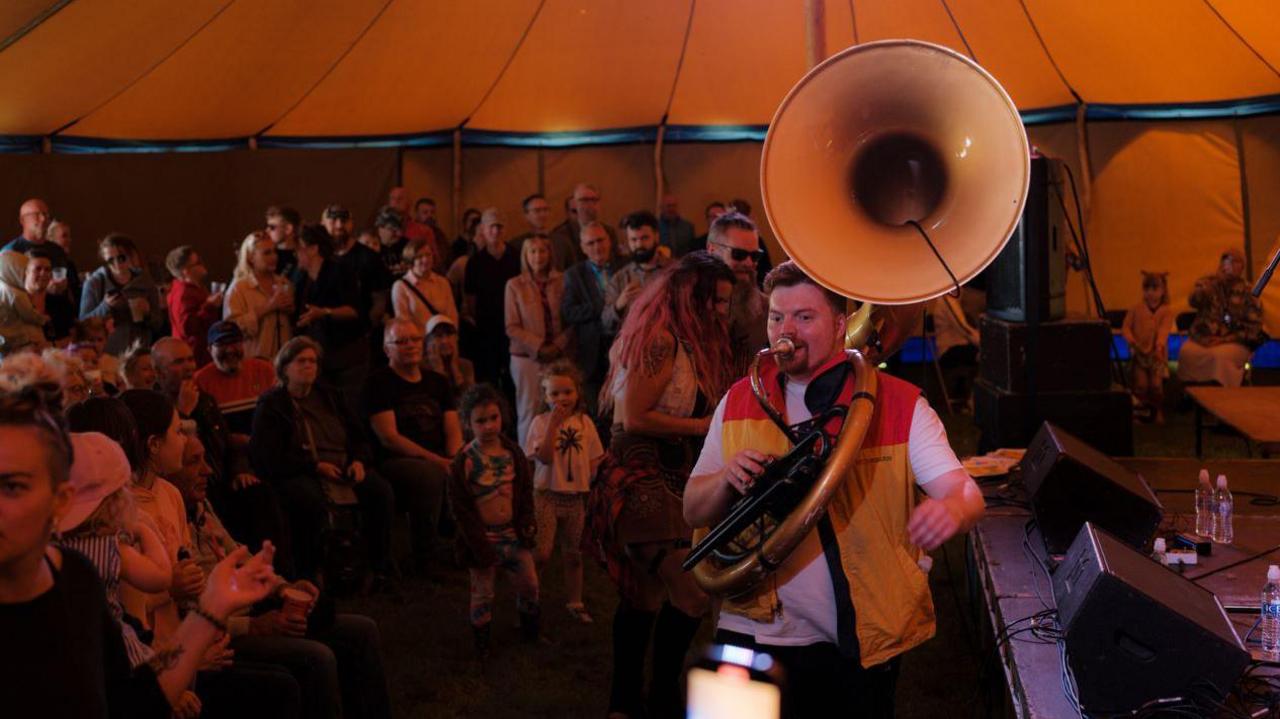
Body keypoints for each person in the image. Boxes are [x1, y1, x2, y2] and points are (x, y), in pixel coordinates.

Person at [682, 261, 985, 719]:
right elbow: (691, 509)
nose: (786, 330)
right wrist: (726, 479)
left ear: (841, 325)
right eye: (776, 317)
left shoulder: (900, 403)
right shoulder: (739, 399)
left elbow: (966, 494)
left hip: (852, 641)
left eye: (804, 317)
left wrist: (952, 511)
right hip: (748, 627)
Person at [0, 391, 286, 719]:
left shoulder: (76, 576)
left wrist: (213, 606)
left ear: (59, 499)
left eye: (13, 487)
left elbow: (133, 697)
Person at [585, 252, 735, 719]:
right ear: (692, 297)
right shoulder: (660, 338)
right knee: (688, 594)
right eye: (717, 301)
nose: (723, 311)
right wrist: (705, 427)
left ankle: (626, 704)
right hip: (640, 471)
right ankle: (660, 697)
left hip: (669, 470)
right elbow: (633, 416)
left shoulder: (686, 339)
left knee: (645, 596)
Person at [170, 432, 392, 719]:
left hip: (252, 611)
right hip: (224, 634)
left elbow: (242, 556)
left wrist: (285, 589)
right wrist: (255, 625)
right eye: (193, 462)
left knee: (362, 630)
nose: (207, 470)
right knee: (318, 659)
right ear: (170, 470)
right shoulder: (167, 525)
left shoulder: (199, 507)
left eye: (205, 459)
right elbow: (187, 614)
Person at [250, 337, 396, 585]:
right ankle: (312, 569)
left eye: (313, 361)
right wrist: (314, 466)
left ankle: (377, 564)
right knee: (310, 500)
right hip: (301, 468)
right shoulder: (273, 404)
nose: (308, 366)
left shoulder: (331, 396)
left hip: (342, 465)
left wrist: (359, 461)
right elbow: (269, 454)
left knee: (380, 491)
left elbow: (359, 436)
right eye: (301, 361)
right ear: (285, 367)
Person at [55, 430, 171, 669]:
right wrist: (143, 532)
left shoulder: (50, 546)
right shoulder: (112, 549)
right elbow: (160, 577)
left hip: (69, 654)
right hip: (115, 655)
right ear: (118, 500)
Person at [362, 318, 462, 576]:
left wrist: (455, 457)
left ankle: (469, 544)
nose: (410, 345)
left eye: (415, 339)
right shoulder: (378, 383)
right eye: (401, 341)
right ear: (387, 350)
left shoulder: (437, 382)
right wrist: (440, 462)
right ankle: (426, 555)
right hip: (396, 460)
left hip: (440, 457)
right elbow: (389, 438)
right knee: (429, 474)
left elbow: (453, 427)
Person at [449, 383, 540, 658]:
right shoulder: (464, 461)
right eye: (480, 421)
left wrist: (526, 522)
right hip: (483, 539)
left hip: (513, 535)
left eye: (493, 418)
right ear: (467, 423)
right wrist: (476, 542)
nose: (488, 426)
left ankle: (530, 633)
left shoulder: (513, 454)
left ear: (502, 416)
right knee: (483, 592)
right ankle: (482, 644)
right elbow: (461, 508)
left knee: (529, 584)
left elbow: (524, 493)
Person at [524, 360, 603, 625]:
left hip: (574, 499)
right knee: (542, 553)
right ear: (544, 396)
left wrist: (591, 478)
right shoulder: (539, 423)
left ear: (577, 392)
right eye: (554, 393)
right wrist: (552, 427)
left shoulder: (585, 423)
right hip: (546, 495)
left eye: (567, 392)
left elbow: (595, 457)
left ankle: (575, 601)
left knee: (574, 553)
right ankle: (530, 597)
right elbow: (544, 457)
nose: (561, 398)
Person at [290, 223, 366, 411]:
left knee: (348, 406)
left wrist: (324, 312)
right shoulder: (301, 277)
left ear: (314, 248)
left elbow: (354, 310)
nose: (296, 254)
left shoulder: (339, 271)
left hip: (345, 352)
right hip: (318, 354)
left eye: (299, 248)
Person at [505, 234, 570, 443]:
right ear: (525, 255)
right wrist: (539, 346)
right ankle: (527, 460)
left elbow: (571, 319)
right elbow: (511, 326)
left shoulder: (562, 280)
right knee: (529, 410)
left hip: (559, 355)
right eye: (532, 251)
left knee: (560, 408)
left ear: (550, 253)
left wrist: (557, 345)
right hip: (526, 358)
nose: (537, 256)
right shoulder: (515, 285)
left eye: (542, 250)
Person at [562, 221, 625, 416]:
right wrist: (607, 307)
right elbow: (569, 312)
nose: (597, 247)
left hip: (623, 349)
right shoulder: (574, 274)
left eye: (600, 240)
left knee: (621, 410)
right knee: (596, 412)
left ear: (609, 241)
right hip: (591, 355)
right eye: (590, 243)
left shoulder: (626, 266)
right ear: (582, 247)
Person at [1177, 248, 1264, 388]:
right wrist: (1212, 285)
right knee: (1187, 352)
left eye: (1235, 261)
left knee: (1218, 357)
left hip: (1233, 341)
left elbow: (1253, 329)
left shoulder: (1249, 293)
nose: (1229, 264)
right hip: (1204, 339)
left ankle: (1222, 394)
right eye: (1226, 260)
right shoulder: (1208, 283)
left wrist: (1223, 340)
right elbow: (1193, 301)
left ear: (1242, 266)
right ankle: (1192, 395)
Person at [80, 233, 166, 356]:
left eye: (121, 258)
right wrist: (105, 306)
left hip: (139, 352)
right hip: (107, 353)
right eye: (110, 260)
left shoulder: (145, 282)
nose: (117, 264)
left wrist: (147, 313)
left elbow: (158, 324)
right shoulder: (96, 283)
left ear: (131, 255)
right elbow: (83, 323)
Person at [704, 212, 769, 373]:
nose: (748, 263)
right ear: (712, 250)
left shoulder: (770, 312)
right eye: (739, 255)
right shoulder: (689, 307)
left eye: (755, 256)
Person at [464, 208, 521, 388]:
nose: (495, 231)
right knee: (488, 378)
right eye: (491, 227)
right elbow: (471, 298)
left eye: (500, 227)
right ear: (483, 229)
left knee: (513, 381)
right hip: (487, 330)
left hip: (514, 328)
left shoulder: (516, 257)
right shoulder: (475, 262)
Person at [194, 321, 276, 433]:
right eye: (222, 344)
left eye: (234, 342)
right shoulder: (200, 380)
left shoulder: (265, 370)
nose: (230, 350)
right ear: (209, 350)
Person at [224, 230, 294, 361]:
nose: (274, 257)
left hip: (284, 361)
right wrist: (268, 307)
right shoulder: (240, 288)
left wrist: (290, 311)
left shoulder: (284, 283)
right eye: (267, 253)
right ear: (251, 257)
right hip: (254, 361)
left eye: (274, 252)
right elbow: (231, 329)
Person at [601, 210, 671, 338]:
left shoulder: (675, 272)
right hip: (631, 349)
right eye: (633, 239)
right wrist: (619, 304)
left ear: (656, 236)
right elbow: (605, 324)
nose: (639, 245)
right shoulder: (619, 278)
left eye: (644, 238)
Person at [1123, 272, 1174, 422]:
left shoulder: (1166, 311)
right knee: (1141, 386)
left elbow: (1164, 330)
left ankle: (1157, 410)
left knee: (1156, 386)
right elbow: (1126, 327)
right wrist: (1131, 341)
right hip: (1139, 354)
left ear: (1163, 290)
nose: (1150, 293)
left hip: (1157, 355)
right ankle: (1139, 412)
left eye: (1154, 289)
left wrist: (1159, 347)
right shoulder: (1136, 309)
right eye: (1147, 289)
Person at [164, 245, 224, 367]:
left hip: (202, 355)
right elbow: (186, 327)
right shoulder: (183, 293)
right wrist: (209, 306)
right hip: (194, 359)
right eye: (198, 262)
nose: (202, 264)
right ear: (186, 271)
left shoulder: (195, 288)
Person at [549, 183, 620, 270]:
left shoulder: (609, 231)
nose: (590, 204)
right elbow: (559, 271)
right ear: (575, 204)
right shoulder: (560, 235)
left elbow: (616, 262)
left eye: (594, 200)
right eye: (584, 200)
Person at [392, 239, 457, 329]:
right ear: (411, 260)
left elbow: (452, 315)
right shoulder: (400, 286)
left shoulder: (442, 282)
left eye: (428, 255)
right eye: (419, 256)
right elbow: (403, 321)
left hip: (442, 339)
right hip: (417, 340)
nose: (425, 259)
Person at [0, 250, 49, 355]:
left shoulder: (3, 288)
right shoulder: (16, 294)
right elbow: (28, 313)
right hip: (22, 344)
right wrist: (42, 319)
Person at [425, 314, 475, 399]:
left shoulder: (466, 365)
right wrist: (438, 370)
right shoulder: (422, 367)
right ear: (428, 342)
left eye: (449, 335)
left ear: (456, 338)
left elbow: (470, 400)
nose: (445, 341)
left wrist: (455, 369)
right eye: (438, 336)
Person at [412, 197, 451, 274]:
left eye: (432, 212)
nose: (430, 216)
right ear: (417, 214)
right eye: (425, 212)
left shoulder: (440, 234)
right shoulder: (413, 233)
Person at [266, 205, 302, 279]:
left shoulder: (302, 257)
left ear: (288, 229)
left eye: (272, 227)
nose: (267, 231)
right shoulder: (266, 255)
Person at [658, 193, 697, 258]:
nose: (671, 209)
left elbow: (692, 249)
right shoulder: (655, 227)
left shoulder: (688, 227)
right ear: (661, 207)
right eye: (668, 206)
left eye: (674, 205)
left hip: (683, 264)